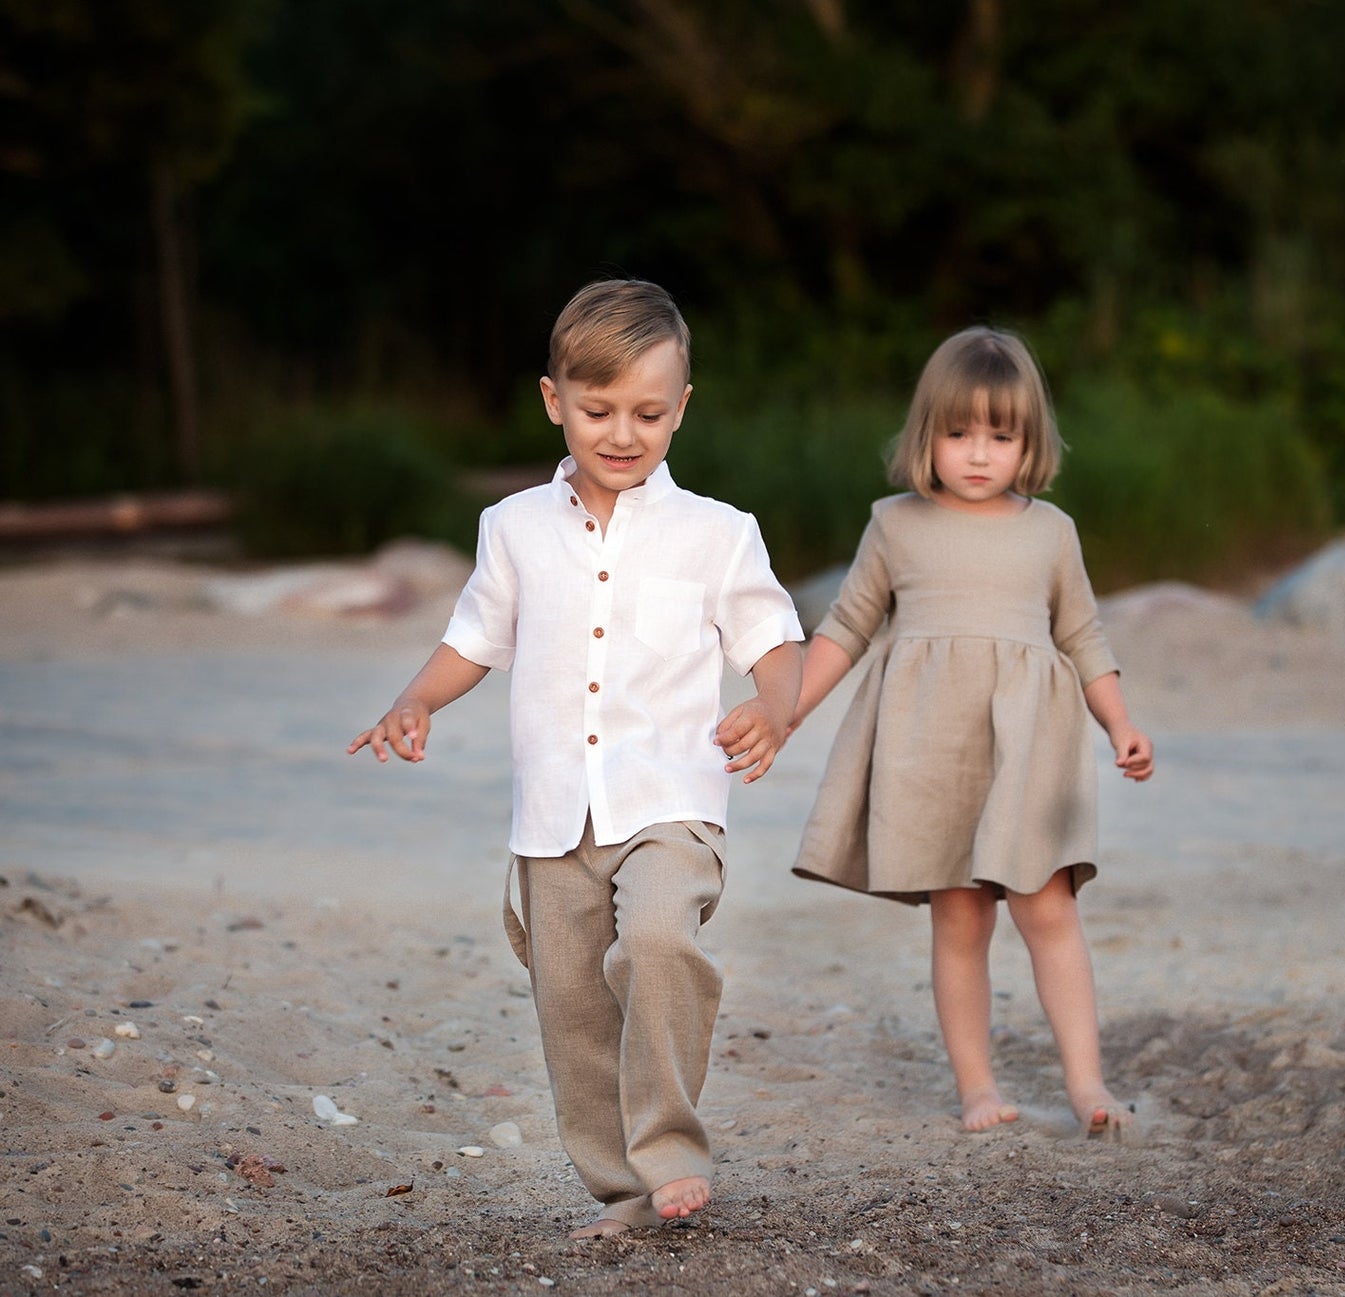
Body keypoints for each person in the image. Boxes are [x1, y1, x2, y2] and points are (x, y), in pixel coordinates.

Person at [347, 279, 803, 1236]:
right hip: (554, 818)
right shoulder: (512, 526)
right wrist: (414, 698)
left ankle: (673, 1146)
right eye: (599, 410)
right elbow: (473, 637)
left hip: (671, 800)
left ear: (683, 406)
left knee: (659, 942)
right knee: (571, 1007)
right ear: (554, 399)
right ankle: (628, 1191)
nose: (623, 432)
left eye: (649, 411)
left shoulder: (719, 533)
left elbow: (773, 640)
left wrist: (775, 704)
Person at [786, 325, 1154, 1136]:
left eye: (1001, 434)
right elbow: (845, 627)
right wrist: (786, 709)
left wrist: (1120, 721)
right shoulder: (895, 524)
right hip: (932, 750)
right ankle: (977, 1086)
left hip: (1029, 748)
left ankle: (1089, 1083)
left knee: (1048, 907)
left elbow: (1085, 635)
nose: (979, 453)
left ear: (1031, 441)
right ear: (927, 435)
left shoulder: (1050, 532)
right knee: (959, 916)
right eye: (958, 433)